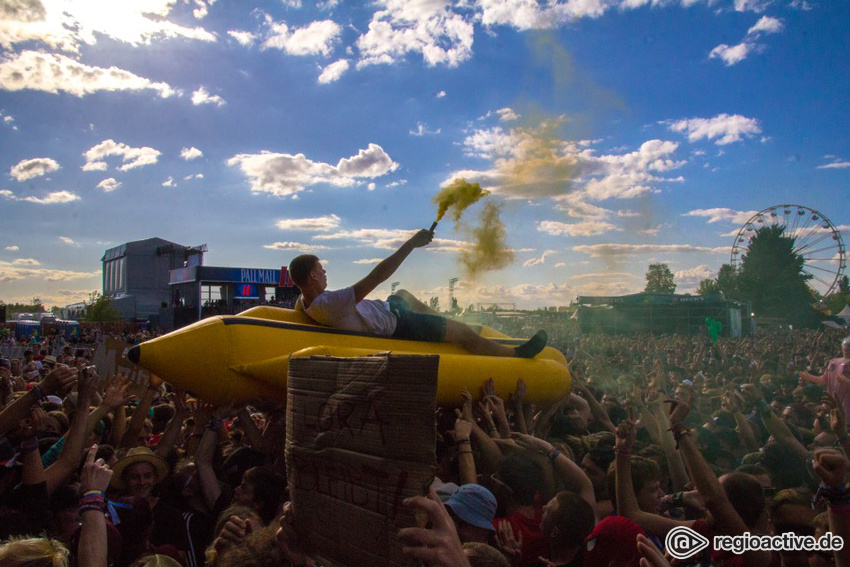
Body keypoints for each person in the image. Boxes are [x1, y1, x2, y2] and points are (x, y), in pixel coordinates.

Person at [288, 228, 547, 358]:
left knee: (402, 293)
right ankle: (516, 355)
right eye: (321, 270)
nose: (325, 274)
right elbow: (377, 276)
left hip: (391, 309)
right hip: (399, 324)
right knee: (463, 334)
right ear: (311, 276)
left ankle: (444, 321)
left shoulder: (307, 301)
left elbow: (302, 303)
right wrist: (411, 244)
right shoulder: (328, 303)